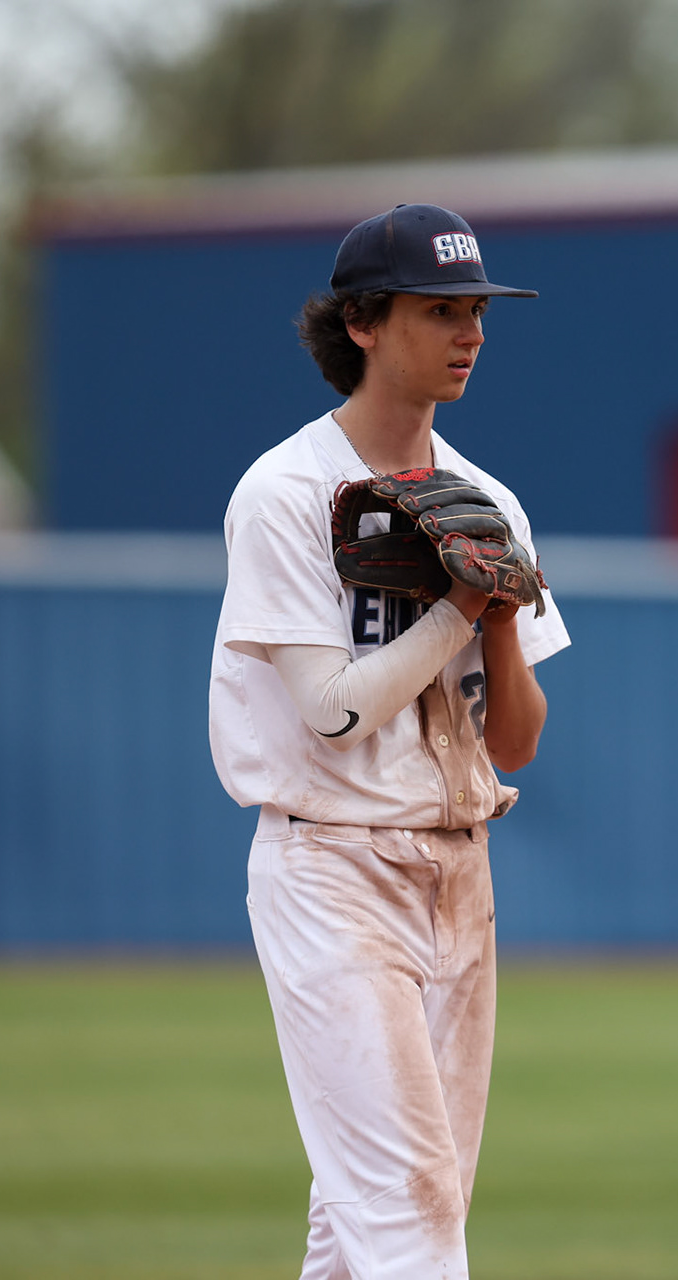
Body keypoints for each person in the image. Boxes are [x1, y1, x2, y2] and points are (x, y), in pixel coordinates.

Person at [207, 203, 571, 1279]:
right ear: (362, 321)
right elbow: (332, 709)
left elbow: (518, 741)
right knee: (409, 1217)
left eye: (476, 312)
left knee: (378, 1220)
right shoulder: (286, 491)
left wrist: (498, 618)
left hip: (459, 868)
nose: (471, 332)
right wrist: (457, 606)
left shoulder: (487, 499)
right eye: (440, 310)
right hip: (331, 865)